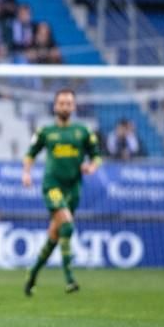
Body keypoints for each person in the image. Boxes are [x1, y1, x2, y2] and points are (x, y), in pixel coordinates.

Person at [22, 89, 101, 296]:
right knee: (66, 224)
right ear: (55, 106)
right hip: (53, 186)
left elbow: (97, 156)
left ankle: (32, 273)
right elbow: (30, 154)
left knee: (55, 235)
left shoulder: (83, 131)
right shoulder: (45, 132)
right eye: (62, 103)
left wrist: (91, 167)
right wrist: (26, 173)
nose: (65, 106)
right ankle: (69, 278)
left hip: (74, 188)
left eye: (68, 103)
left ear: (73, 106)